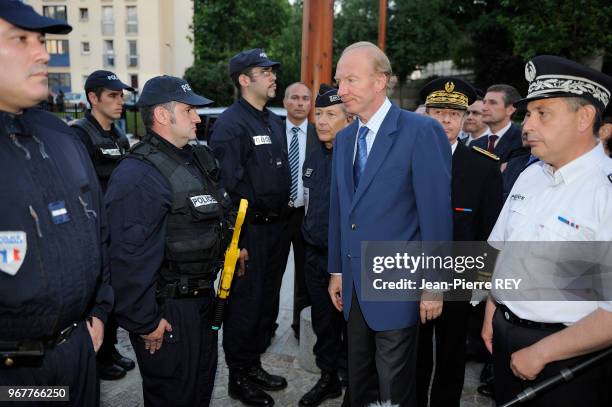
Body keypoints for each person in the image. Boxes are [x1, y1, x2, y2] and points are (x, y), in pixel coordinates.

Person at [481, 55, 612, 407]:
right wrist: (493, 311)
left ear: (584, 117)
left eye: (543, 114)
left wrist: (542, 352)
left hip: (570, 358)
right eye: (528, 114)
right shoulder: (530, 174)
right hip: (506, 337)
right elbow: (501, 248)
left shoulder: (606, 191)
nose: (528, 125)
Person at [328, 41, 453, 406]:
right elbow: (341, 211)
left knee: (394, 385)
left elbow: (436, 214)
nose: (342, 90)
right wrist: (336, 270)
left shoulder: (420, 131)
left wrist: (434, 284)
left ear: (381, 81)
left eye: (351, 79)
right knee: (359, 380)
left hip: (399, 284)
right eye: (339, 80)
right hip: (352, 285)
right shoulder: (345, 137)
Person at [0, 2, 112, 405]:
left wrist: (99, 312)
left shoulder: (59, 136)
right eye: (21, 39)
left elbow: (98, 232)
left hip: (78, 351)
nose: (43, 52)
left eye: (42, 40)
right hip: (16, 377)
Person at [105, 76, 232, 406]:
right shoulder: (137, 175)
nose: (198, 118)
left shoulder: (194, 159)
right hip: (167, 310)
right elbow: (125, 258)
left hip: (203, 302)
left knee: (199, 390)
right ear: (162, 115)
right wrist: (145, 321)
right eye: (189, 110)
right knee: (174, 395)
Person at [209, 48, 290, 406]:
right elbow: (222, 187)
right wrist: (233, 241)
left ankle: (253, 364)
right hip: (248, 232)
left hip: (276, 230)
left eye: (272, 71)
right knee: (244, 307)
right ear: (245, 80)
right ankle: (238, 377)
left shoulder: (273, 120)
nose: (273, 76)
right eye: (265, 71)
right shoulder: (230, 124)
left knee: (265, 305)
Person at [416, 77, 503, 407]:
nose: (446, 120)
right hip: (411, 272)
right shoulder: (407, 159)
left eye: (454, 113)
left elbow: (489, 230)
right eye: (438, 112)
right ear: (426, 114)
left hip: (458, 278)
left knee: (452, 354)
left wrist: (480, 287)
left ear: (466, 117)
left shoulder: (482, 166)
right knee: (414, 352)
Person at [69, 70, 135, 380]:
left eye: (121, 95)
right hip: (94, 230)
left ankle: (109, 349)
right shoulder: (80, 134)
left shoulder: (119, 136)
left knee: (114, 294)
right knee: (96, 297)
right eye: (112, 95)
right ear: (92, 98)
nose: (120, 101)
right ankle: (96, 357)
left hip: (117, 228)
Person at [299, 84, 352, 407]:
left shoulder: (358, 159)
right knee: (324, 324)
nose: (321, 120)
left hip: (347, 261)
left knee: (354, 327)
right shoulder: (315, 153)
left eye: (331, 114)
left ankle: (355, 380)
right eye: (318, 113)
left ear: (348, 120)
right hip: (315, 256)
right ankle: (328, 378)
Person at [267, 82, 318, 342]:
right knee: (271, 272)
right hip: (276, 215)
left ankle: (301, 323)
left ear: (311, 104)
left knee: (304, 273)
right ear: (285, 102)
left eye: (305, 99)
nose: (300, 103)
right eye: (294, 98)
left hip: (304, 215)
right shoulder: (272, 131)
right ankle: (267, 324)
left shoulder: (318, 134)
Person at [472, 84, 524, 163]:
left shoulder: (522, 141)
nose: (484, 108)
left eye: (492, 103)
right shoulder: (475, 144)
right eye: (484, 102)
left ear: (510, 110)